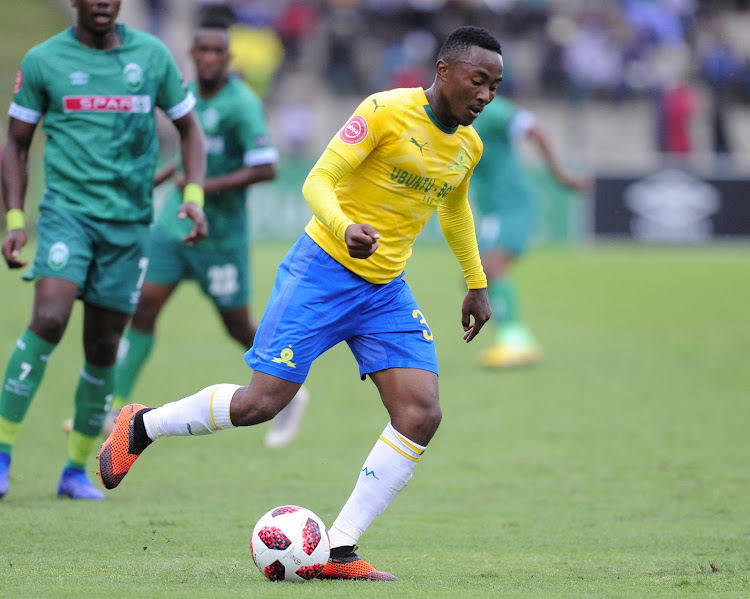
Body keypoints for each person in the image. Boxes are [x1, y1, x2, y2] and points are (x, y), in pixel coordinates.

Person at [98, 25, 502, 580]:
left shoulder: (468, 146)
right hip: (322, 271)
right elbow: (318, 180)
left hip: (384, 291)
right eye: (478, 81)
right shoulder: (384, 111)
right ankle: (143, 424)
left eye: (495, 87)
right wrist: (344, 225)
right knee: (260, 405)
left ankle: (338, 550)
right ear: (444, 72)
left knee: (421, 412)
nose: (485, 95)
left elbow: (455, 208)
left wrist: (476, 282)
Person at [0, 0, 207, 500]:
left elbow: (190, 130)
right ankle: (3, 455)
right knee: (48, 319)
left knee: (103, 347)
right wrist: (15, 218)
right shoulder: (44, 60)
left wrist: (193, 197)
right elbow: (16, 143)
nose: (101, 2)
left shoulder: (152, 57)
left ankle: (74, 472)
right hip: (66, 215)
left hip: (129, 226)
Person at [100, 21, 309, 448]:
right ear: (192, 55)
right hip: (172, 227)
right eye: (202, 50)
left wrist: (202, 188)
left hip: (219, 237)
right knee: (143, 309)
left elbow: (266, 167)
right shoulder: (186, 95)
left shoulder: (242, 104)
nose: (210, 58)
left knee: (236, 326)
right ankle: (114, 409)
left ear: (228, 59)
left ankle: (292, 391)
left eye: (218, 51)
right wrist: (163, 178)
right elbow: (185, 157)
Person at [471, 94, 589, 368]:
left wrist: (559, 175)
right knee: (473, 278)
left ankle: (515, 341)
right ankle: (511, 338)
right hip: (491, 209)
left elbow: (533, 128)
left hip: (512, 203)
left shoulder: (489, 109)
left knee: (492, 267)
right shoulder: (452, 117)